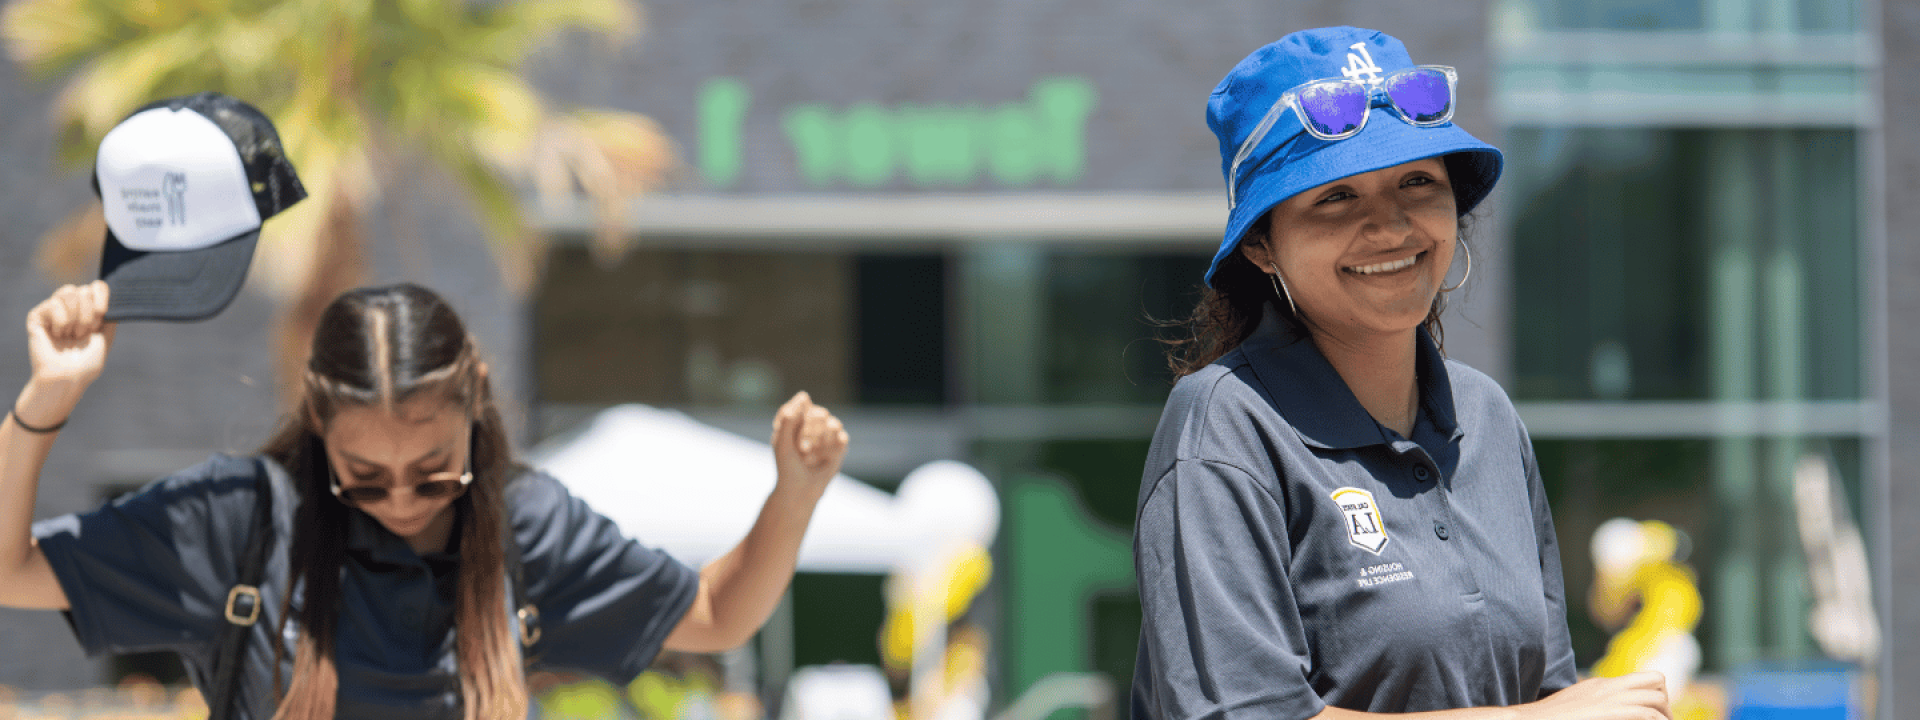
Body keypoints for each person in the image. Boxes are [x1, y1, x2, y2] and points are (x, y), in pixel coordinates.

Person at [1130, 27, 1672, 719]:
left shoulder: (1488, 417)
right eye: (1335, 197)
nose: (1390, 227)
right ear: (1262, 245)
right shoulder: (1226, 427)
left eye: (1416, 181)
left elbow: (1547, 687)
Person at [0, 281, 850, 720]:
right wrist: (46, 405)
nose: (403, 500)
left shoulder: (525, 524)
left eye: (436, 470)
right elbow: (11, 570)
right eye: (363, 478)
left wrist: (795, 496)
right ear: (319, 419)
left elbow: (714, 613)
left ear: (476, 398)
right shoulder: (239, 521)